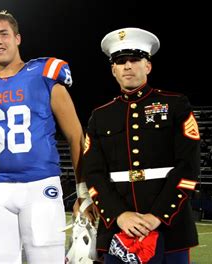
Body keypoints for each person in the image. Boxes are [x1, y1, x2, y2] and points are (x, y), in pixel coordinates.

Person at [0, 10, 95, 264]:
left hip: (40, 185)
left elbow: (75, 135)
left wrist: (83, 191)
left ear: (17, 38)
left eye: (4, 34)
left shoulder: (45, 73)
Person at [84, 28, 200, 263]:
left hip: (170, 225)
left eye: (134, 59)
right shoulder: (100, 116)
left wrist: (157, 215)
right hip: (117, 228)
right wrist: (120, 215)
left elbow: (188, 167)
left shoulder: (175, 104)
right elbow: (94, 174)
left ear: (147, 66)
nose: (127, 66)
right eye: (120, 61)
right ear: (113, 70)